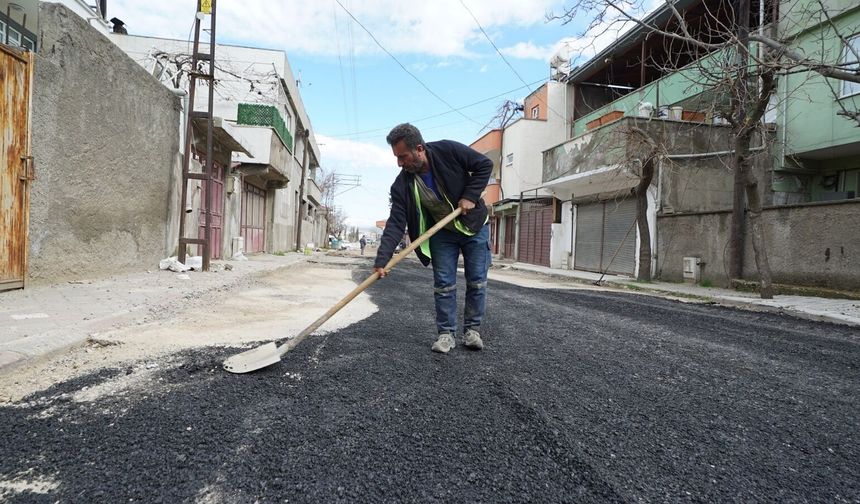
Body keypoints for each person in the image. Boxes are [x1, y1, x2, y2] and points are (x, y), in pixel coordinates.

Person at [373, 123, 492, 354]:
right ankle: (446, 334)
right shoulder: (402, 185)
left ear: (419, 148)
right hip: (442, 234)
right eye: (396, 158)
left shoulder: (448, 151)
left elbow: (484, 165)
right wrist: (382, 259)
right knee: (444, 284)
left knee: (477, 280)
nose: (399, 163)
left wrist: (470, 196)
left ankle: (472, 330)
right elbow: (396, 222)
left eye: (403, 157)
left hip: (474, 226)